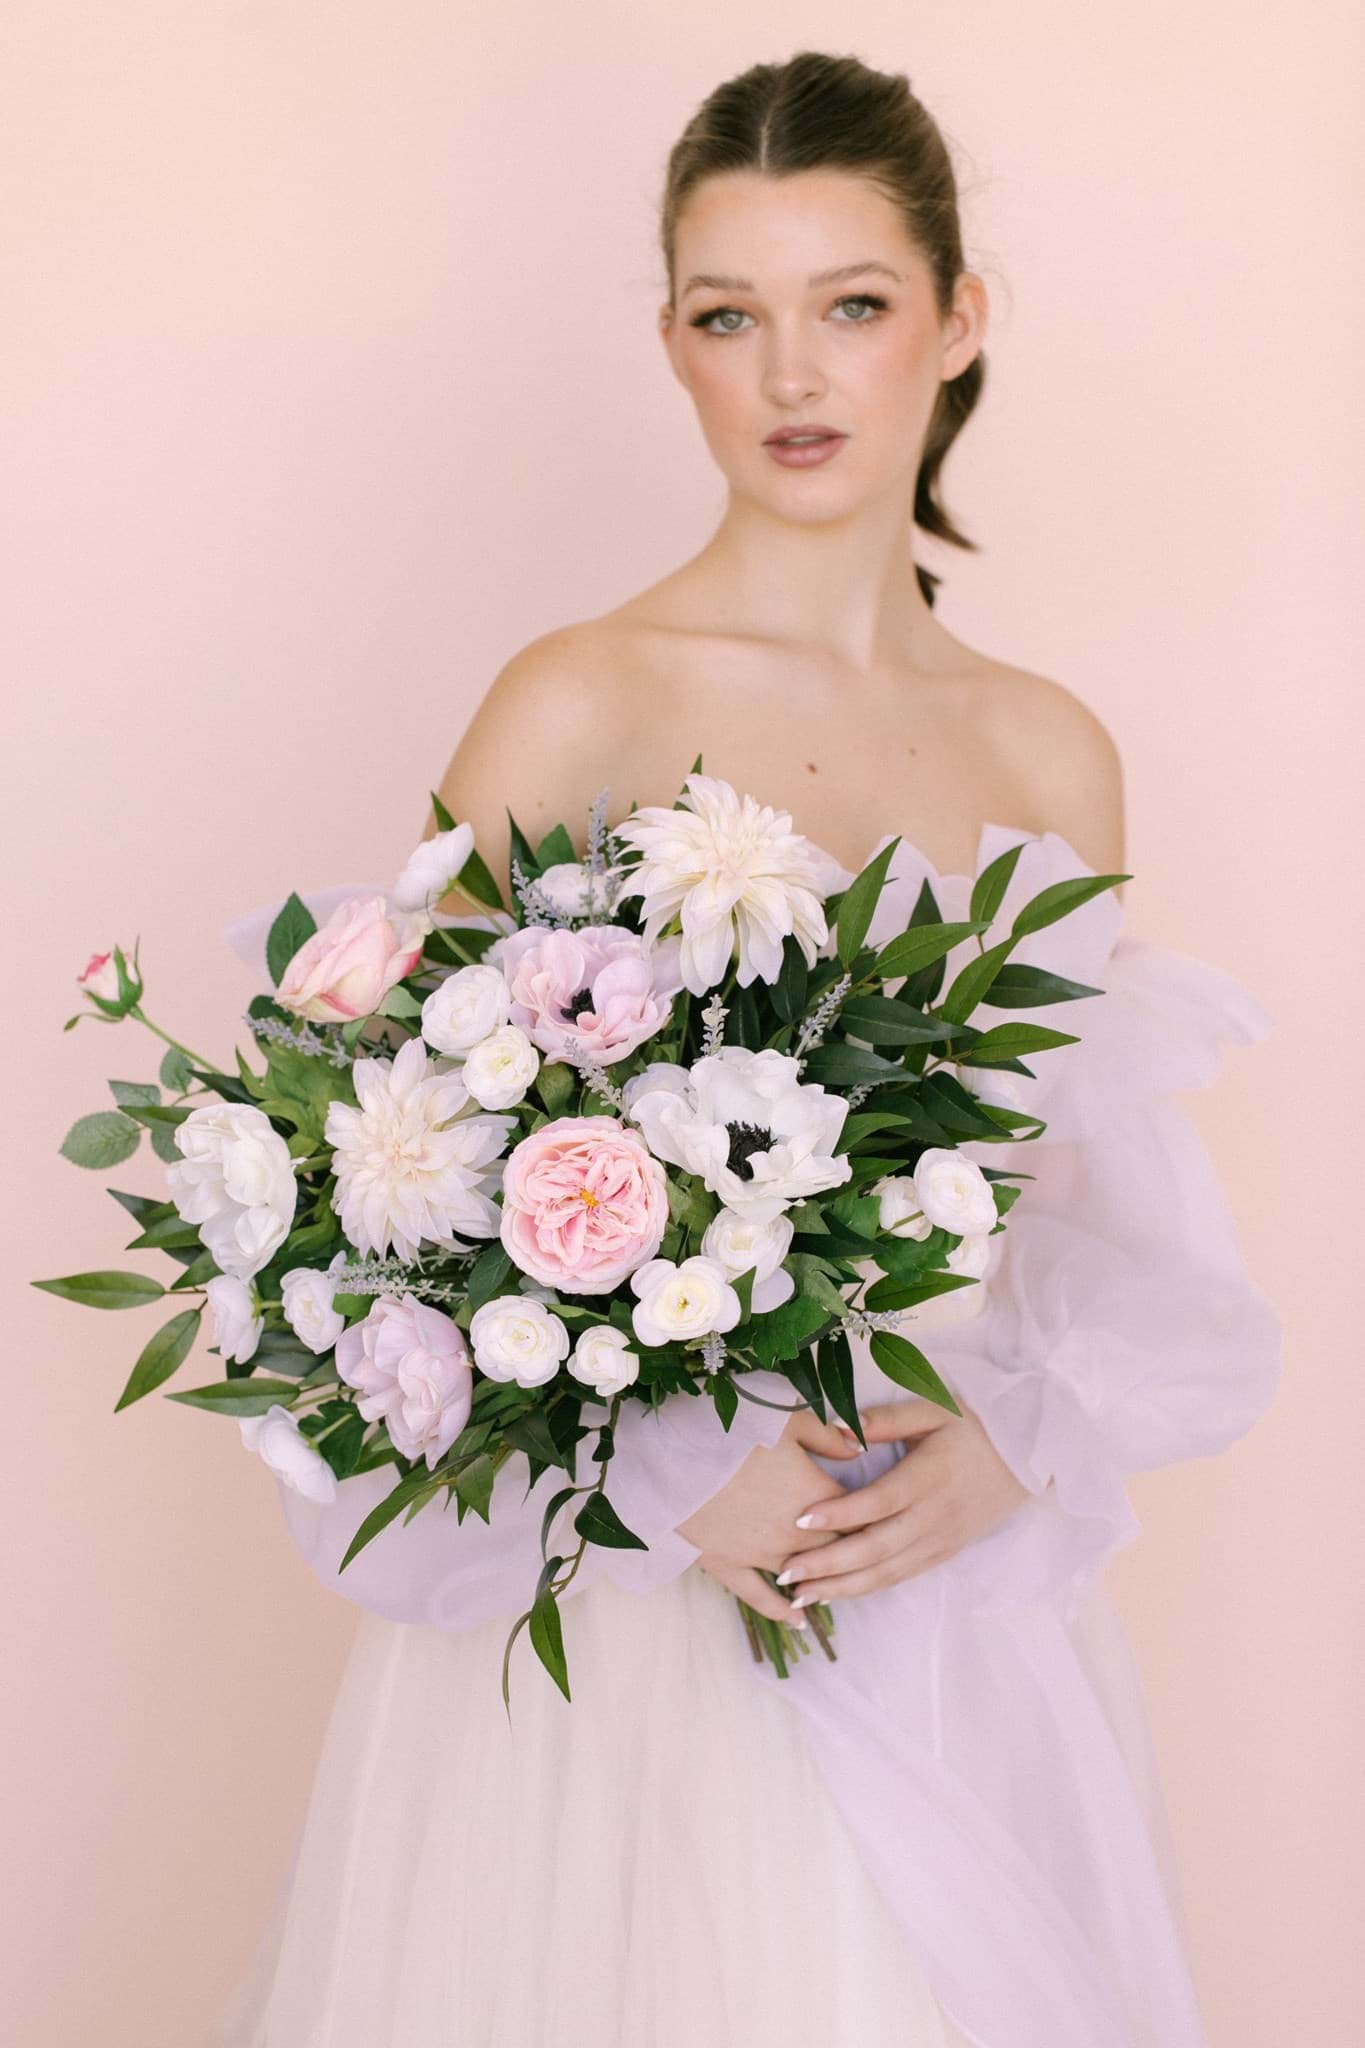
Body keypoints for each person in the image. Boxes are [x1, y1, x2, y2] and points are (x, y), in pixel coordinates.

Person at [211, 51, 1280, 2048]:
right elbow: (371, 1201)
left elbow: (1075, 1218)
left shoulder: (1050, 754)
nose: (793, 375)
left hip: (949, 1623)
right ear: (675, 346)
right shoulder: (581, 701)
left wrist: (1010, 1458)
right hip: (637, 1646)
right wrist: (657, 1484)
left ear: (956, 323)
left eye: (851, 304)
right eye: (729, 315)